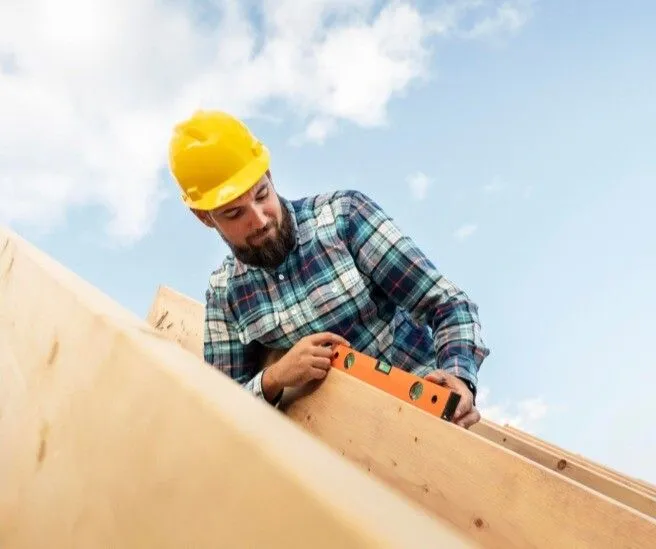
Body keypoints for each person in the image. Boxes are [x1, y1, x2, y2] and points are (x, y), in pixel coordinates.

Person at [168, 109, 490, 428]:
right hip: (343, 449)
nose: (261, 219)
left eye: (262, 194)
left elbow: (447, 303)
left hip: (429, 415)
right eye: (235, 214)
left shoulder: (344, 218)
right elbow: (223, 406)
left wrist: (460, 378)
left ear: (270, 175)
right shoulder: (226, 295)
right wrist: (274, 378)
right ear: (205, 217)